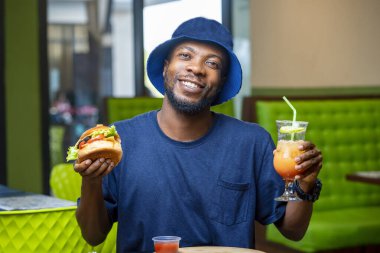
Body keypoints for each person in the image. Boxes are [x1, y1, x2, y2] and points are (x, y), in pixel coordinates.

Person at [74, 17, 323, 252]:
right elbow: (93, 235)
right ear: (165, 68)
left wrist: (305, 184)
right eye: (185, 55)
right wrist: (91, 181)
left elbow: (293, 230)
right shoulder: (121, 140)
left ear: (222, 81)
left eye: (212, 63)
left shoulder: (252, 143)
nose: (196, 68)